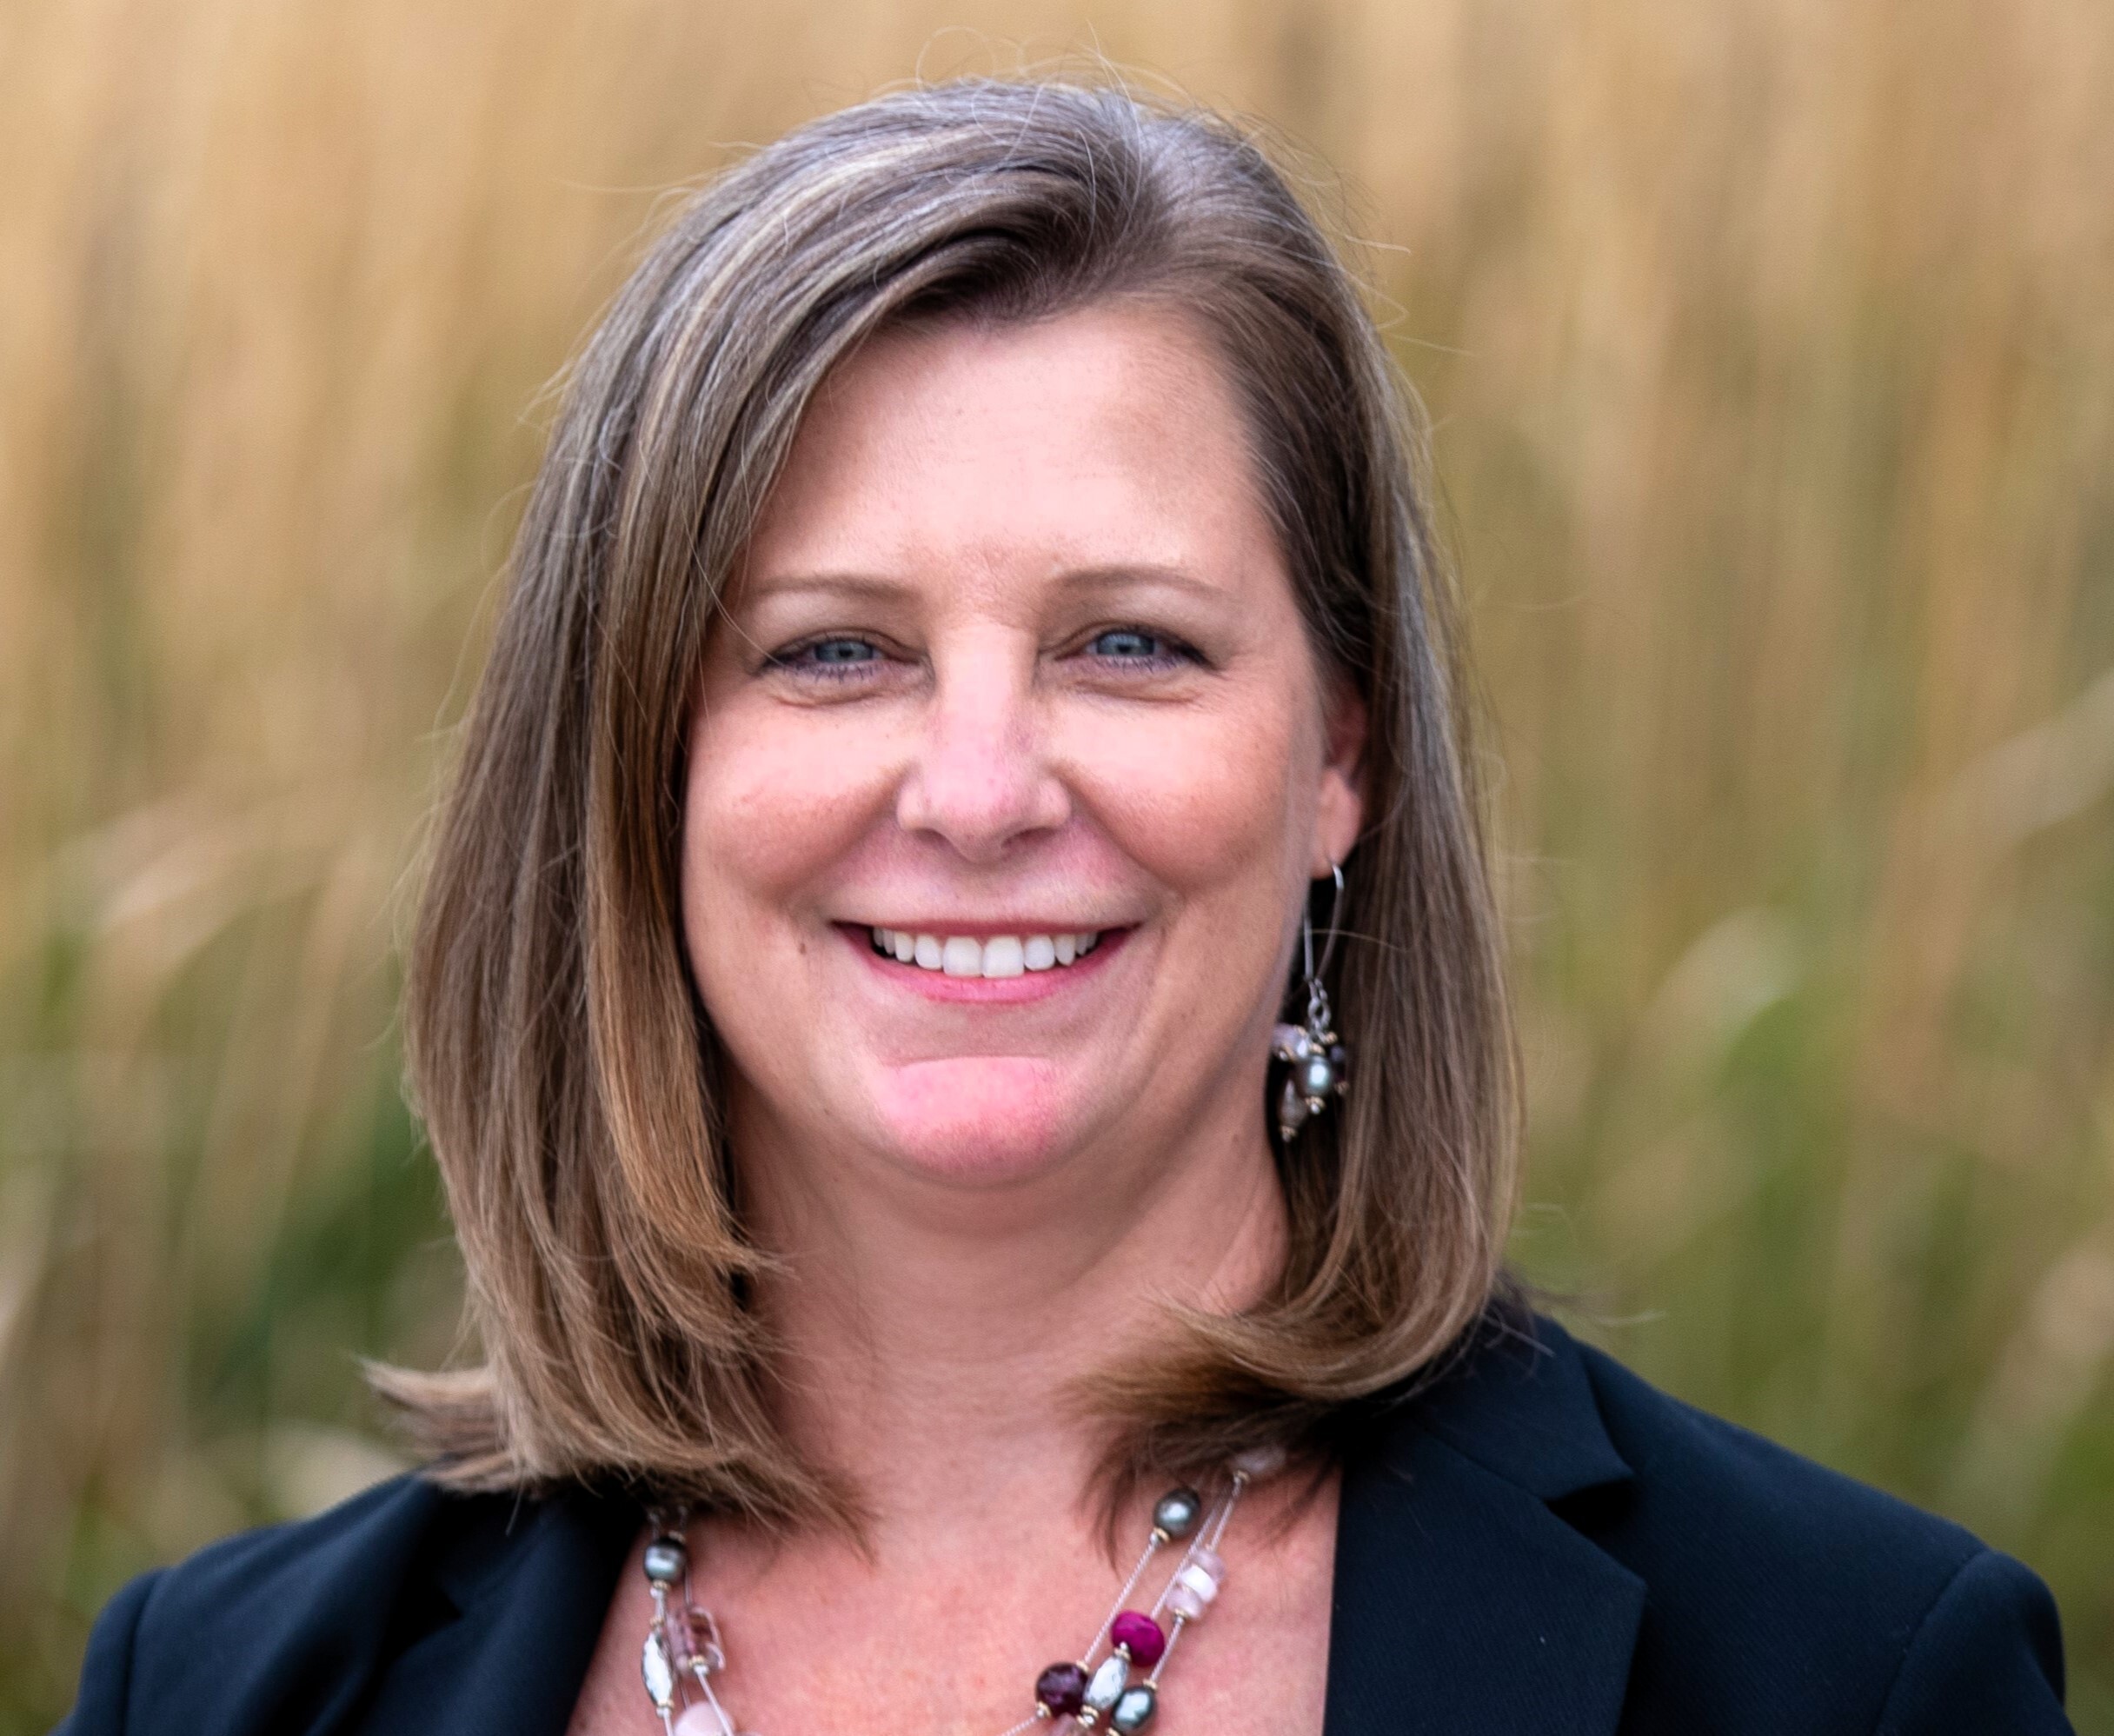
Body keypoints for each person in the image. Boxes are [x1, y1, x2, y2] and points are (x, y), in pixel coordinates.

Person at [60, 76, 2070, 1736]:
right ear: (636, 772)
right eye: (834, 653)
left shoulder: (1848, 1671)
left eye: (1129, 645)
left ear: (1338, 760)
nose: (982, 792)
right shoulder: (221, 1689)